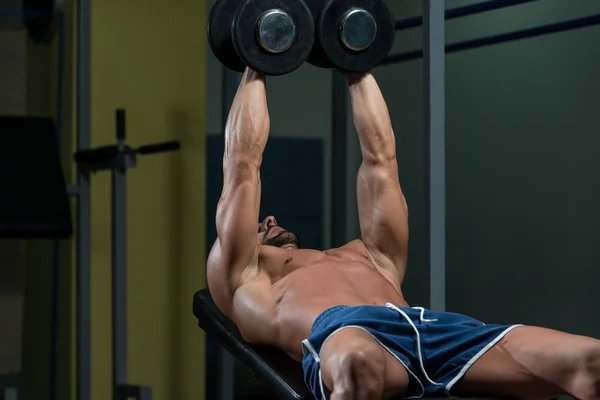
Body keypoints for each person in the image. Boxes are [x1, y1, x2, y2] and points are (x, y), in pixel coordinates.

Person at [207, 67, 600, 400]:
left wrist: (355, 65)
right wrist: (255, 65)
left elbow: (381, 159)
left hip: (431, 329)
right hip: (344, 331)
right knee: (356, 364)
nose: (269, 219)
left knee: (590, 361)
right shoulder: (246, 274)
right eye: (260, 226)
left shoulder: (367, 254)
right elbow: (243, 165)